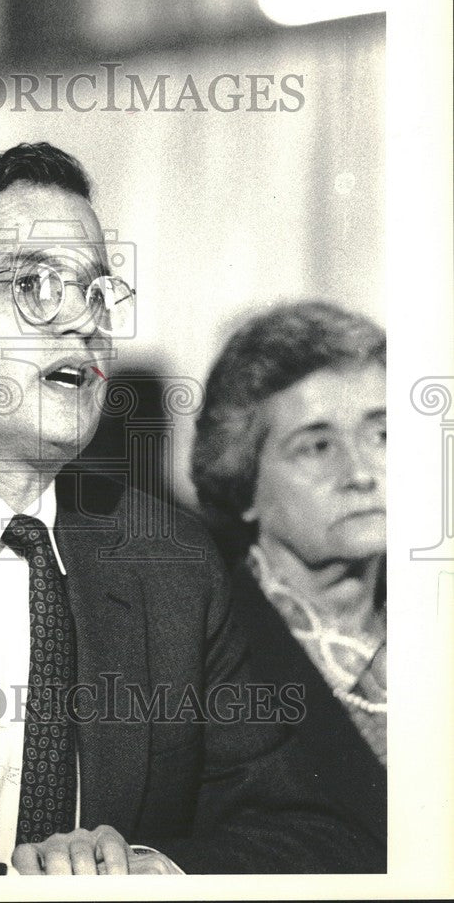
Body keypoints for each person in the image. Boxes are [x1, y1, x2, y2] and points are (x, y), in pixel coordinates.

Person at [0, 144, 382, 877]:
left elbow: (317, 828)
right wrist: (21, 892)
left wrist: (152, 870)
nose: (82, 322)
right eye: (33, 285)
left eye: (94, 291)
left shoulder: (170, 561)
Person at [192, 300, 387, 857]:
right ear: (242, 482)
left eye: (381, 435)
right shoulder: (203, 644)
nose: (359, 474)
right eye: (317, 446)